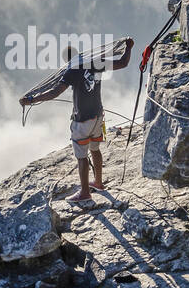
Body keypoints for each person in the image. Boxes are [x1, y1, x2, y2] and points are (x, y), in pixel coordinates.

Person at [20, 37, 133, 202]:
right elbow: (123, 63)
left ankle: (85, 192)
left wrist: (30, 100)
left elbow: (54, 92)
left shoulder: (71, 70)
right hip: (98, 116)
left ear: (67, 60)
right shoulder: (95, 62)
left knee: (81, 156)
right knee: (95, 149)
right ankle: (99, 183)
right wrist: (129, 47)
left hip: (82, 121)